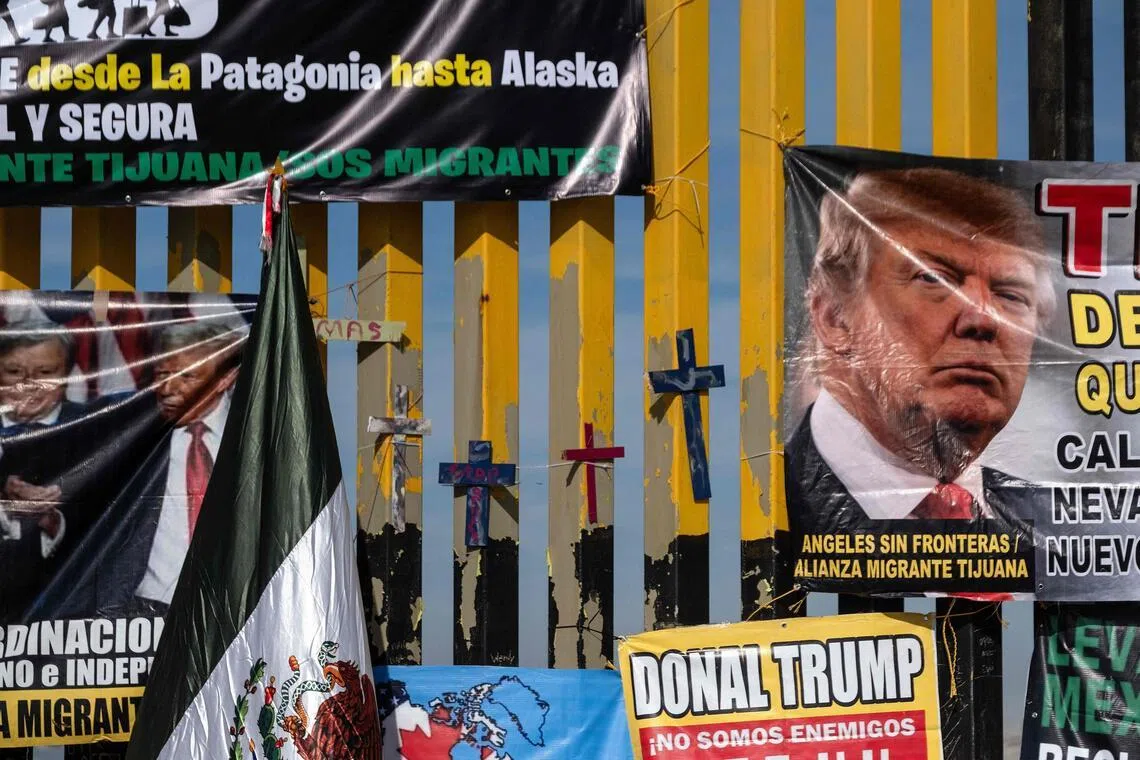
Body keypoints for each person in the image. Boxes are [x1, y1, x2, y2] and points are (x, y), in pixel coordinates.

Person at [785, 167, 1055, 535]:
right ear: (835, 317)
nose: (983, 318)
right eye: (933, 278)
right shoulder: (757, 510)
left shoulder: (1071, 533)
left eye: (1010, 295)